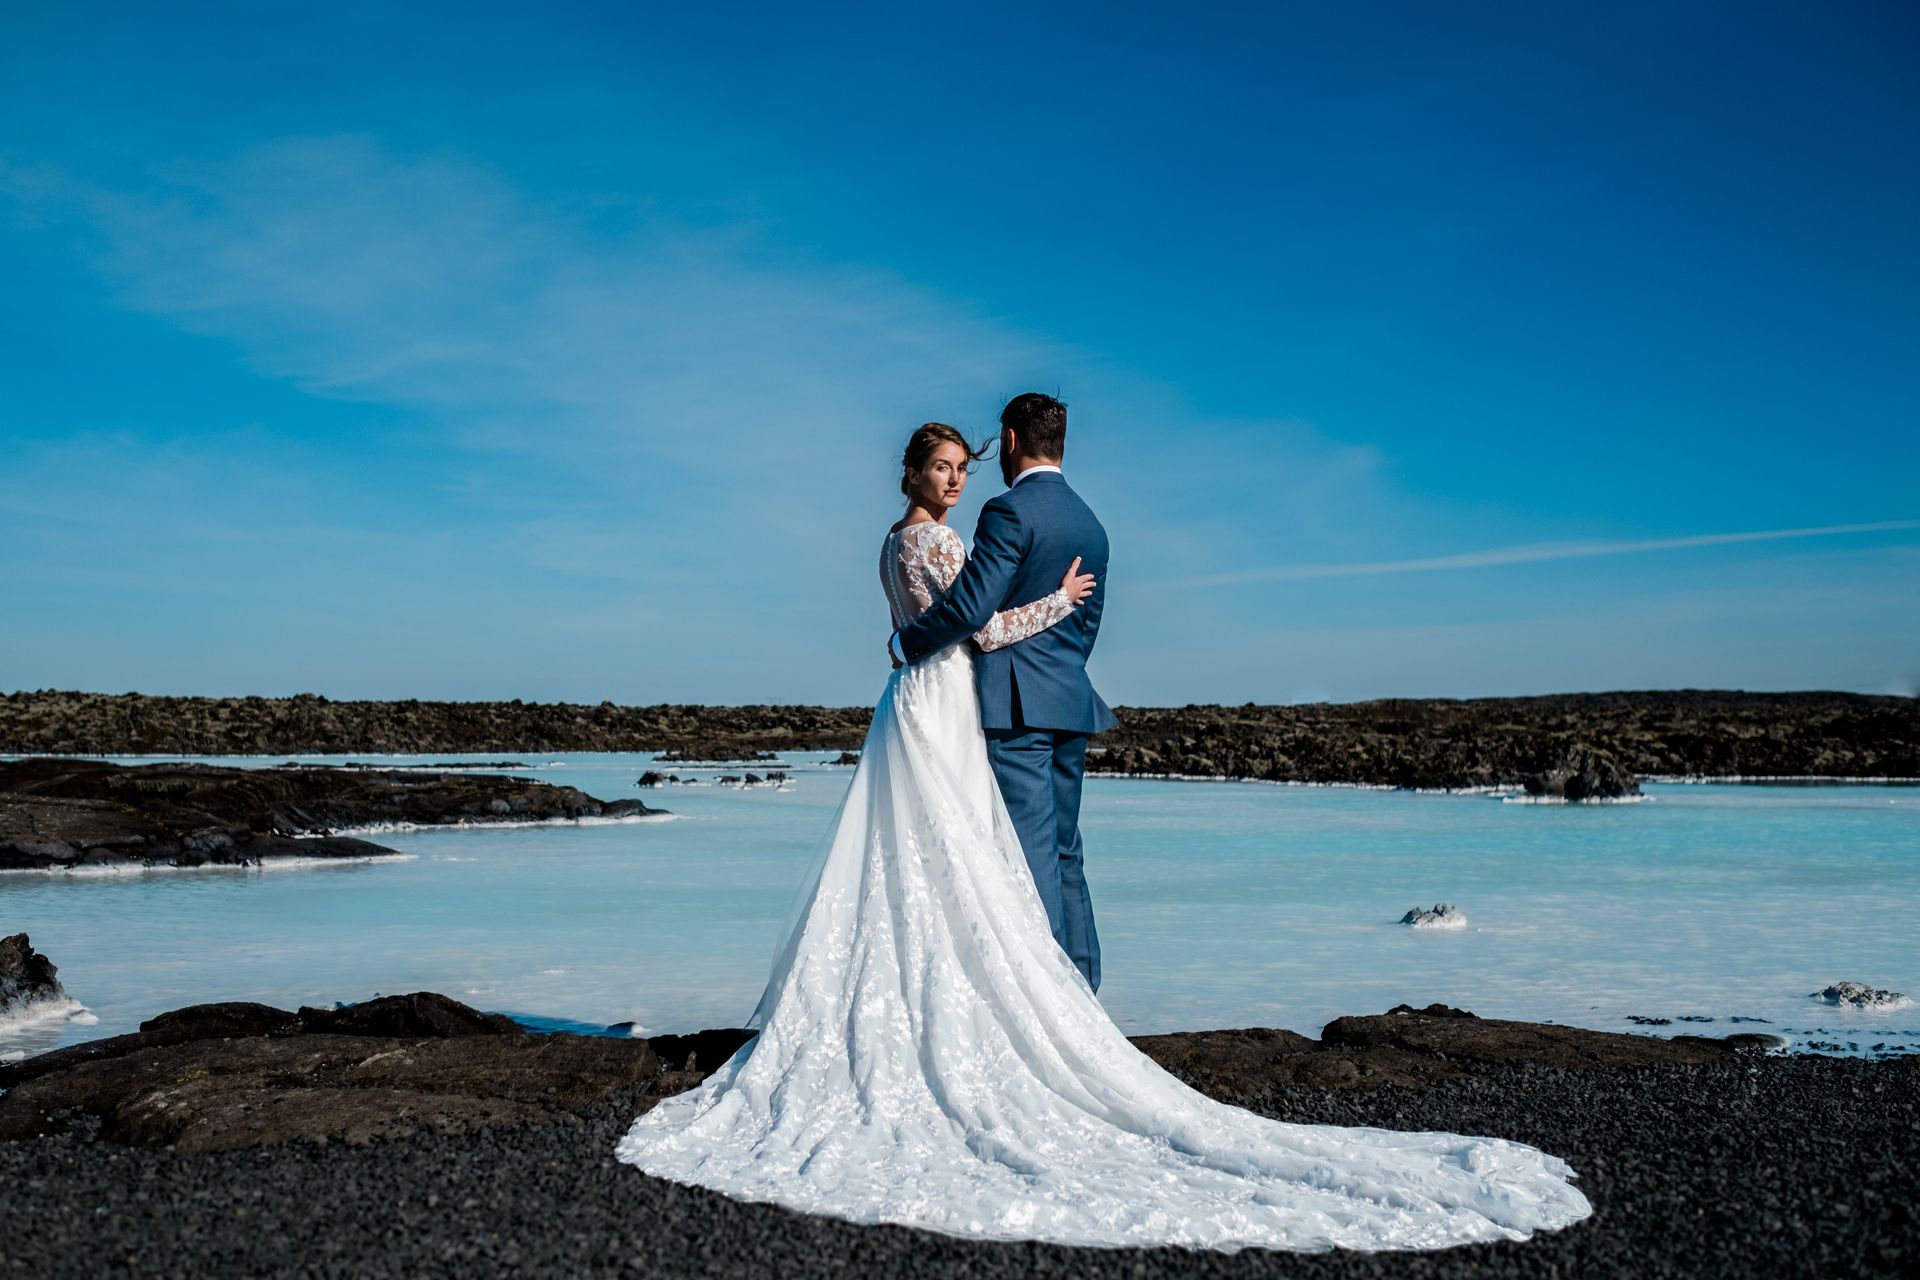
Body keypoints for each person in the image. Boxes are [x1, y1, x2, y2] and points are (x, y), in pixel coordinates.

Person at [614, 398, 1592, 1251]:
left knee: (927, 853)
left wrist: (957, 623)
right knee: (955, 850)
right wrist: (1060, 599)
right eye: (940, 469)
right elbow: (978, 625)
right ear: (910, 471)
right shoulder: (927, 538)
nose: (954, 482)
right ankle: (985, 1008)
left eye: (962, 468)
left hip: (916, 698)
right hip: (943, 693)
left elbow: (937, 624)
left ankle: (940, 1002)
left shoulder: (892, 538)